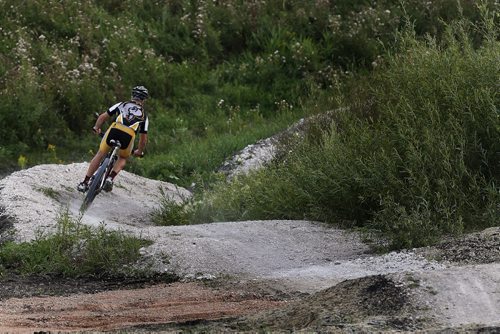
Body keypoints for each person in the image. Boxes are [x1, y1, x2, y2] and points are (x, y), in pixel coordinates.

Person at [77, 85, 149, 193]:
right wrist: (139, 151)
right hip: (128, 136)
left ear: (132, 95)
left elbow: (102, 117)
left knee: (100, 153)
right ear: (144, 100)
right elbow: (143, 139)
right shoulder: (144, 116)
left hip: (115, 130)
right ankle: (110, 178)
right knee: (123, 157)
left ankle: (85, 183)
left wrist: (96, 128)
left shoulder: (121, 104)